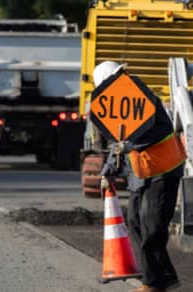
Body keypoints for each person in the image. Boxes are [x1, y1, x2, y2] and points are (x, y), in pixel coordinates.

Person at [93, 61, 187, 292]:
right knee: (136, 222)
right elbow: (119, 144)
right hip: (141, 172)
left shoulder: (142, 99)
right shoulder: (118, 106)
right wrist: (108, 172)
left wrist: (129, 145)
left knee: (152, 226)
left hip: (163, 169)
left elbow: (155, 132)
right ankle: (164, 276)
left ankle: (152, 283)